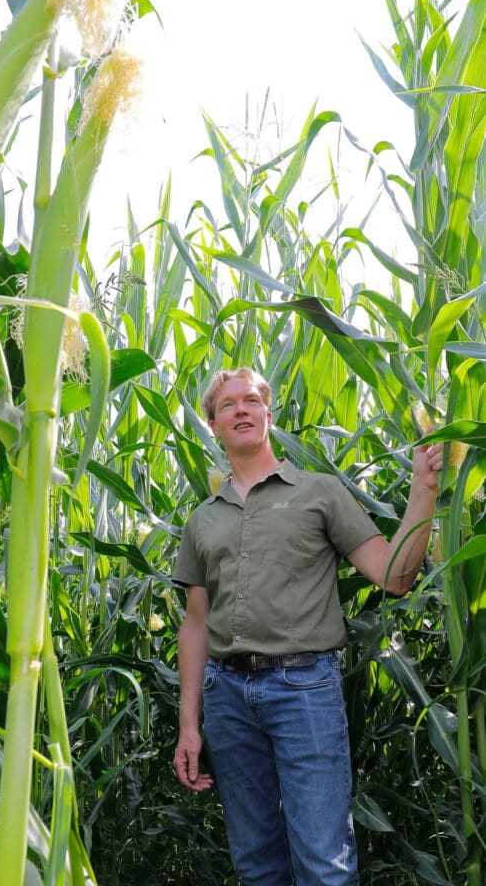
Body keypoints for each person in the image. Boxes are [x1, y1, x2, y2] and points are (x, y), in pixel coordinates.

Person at [172, 367, 443, 886]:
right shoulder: (202, 519)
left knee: (324, 865)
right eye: (228, 405)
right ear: (213, 425)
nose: (242, 410)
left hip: (304, 691)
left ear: (268, 415)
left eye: (252, 400)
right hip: (226, 698)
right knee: (256, 865)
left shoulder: (320, 492)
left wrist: (422, 491)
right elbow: (196, 624)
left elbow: (396, 576)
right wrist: (189, 723)